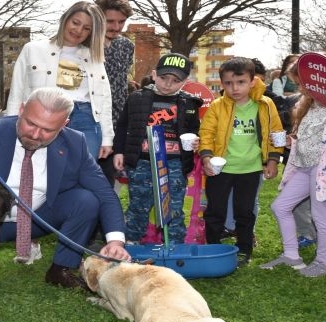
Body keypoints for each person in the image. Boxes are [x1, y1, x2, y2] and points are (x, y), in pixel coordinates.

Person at [0, 87, 131, 288]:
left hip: (36, 219)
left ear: (64, 125)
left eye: (48, 130)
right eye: (31, 123)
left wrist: (115, 241)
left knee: (86, 200)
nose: (36, 135)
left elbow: (105, 193)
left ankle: (61, 269)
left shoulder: (75, 143)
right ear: (21, 110)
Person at [260, 57, 326, 277]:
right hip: (305, 166)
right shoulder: (310, 102)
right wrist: (293, 141)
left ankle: (324, 263)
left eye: (302, 83)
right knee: (280, 207)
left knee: (321, 213)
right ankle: (291, 255)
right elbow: (311, 133)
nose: (300, 88)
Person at [198, 57, 284, 267]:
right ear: (222, 83)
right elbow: (206, 132)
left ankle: (244, 249)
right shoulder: (218, 106)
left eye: (241, 82)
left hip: (251, 169)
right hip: (221, 170)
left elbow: (276, 132)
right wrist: (207, 156)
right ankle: (214, 247)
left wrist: (272, 160)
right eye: (228, 83)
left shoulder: (265, 105)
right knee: (215, 210)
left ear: (252, 81)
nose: (234, 88)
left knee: (244, 212)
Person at [5, 1, 113, 160]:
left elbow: (104, 99)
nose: (78, 30)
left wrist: (107, 138)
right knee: (42, 171)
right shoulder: (33, 49)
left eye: (86, 28)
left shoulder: (94, 57)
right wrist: (11, 126)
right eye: (75, 23)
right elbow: (17, 91)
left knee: (83, 174)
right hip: (44, 118)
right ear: (65, 19)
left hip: (86, 119)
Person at [113, 53, 202, 244]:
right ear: (154, 75)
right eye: (163, 78)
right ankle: (130, 244)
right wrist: (119, 151)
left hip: (175, 163)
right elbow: (122, 126)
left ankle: (175, 247)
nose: (168, 84)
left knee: (174, 207)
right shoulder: (136, 98)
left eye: (175, 80)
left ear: (185, 81)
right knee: (138, 205)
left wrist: (195, 140)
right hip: (141, 162)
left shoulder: (190, 103)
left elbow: (194, 129)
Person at [95, 0, 134, 186]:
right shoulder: (85, 45)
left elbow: (121, 81)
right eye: (110, 21)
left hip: (117, 124)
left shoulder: (126, 46)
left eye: (121, 22)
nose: (116, 27)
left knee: (108, 181)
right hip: (91, 122)